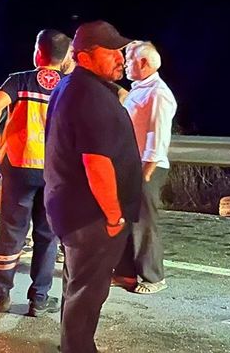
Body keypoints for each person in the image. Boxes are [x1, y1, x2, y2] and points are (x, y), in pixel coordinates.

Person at [44, 20, 143, 353]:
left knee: (77, 285)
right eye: (111, 51)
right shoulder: (89, 94)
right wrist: (114, 216)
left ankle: (71, 344)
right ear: (85, 56)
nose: (120, 58)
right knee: (88, 292)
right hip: (92, 216)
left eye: (121, 51)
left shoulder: (74, 87)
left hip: (74, 210)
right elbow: (96, 163)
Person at [0, 29, 70, 317]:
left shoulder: (20, 80)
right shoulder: (71, 86)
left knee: (12, 232)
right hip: (55, 173)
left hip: (19, 167)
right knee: (47, 235)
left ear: (38, 53)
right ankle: (39, 299)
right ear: (65, 57)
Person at [115, 41, 177, 294]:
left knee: (144, 223)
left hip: (147, 167)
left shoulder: (158, 93)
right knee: (126, 221)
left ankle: (153, 277)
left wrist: (146, 173)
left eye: (129, 60)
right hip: (131, 166)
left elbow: (157, 137)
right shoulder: (139, 89)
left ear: (143, 63)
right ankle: (125, 274)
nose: (125, 64)